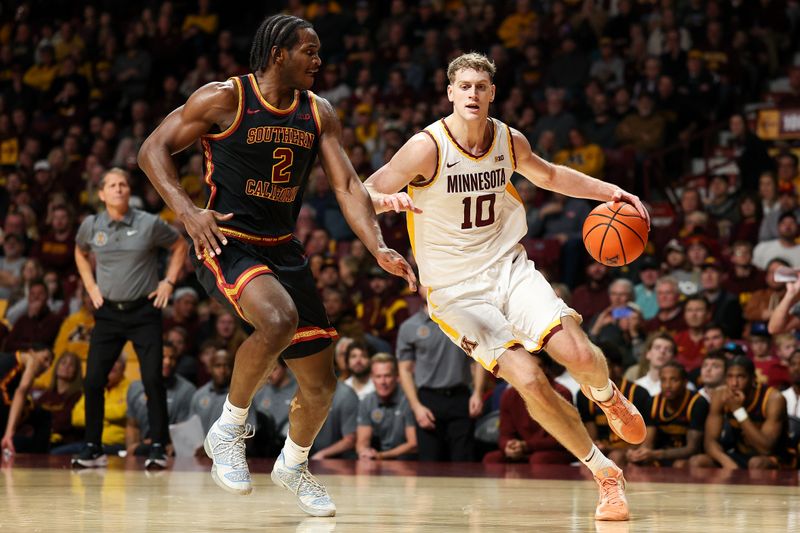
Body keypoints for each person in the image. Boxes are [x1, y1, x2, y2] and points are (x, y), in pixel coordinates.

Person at [138, 14, 415, 516]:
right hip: (226, 238)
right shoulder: (224, 98)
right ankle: (227, 429)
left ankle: (293, 463)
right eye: (309, 50)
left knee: (321, 386)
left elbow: (349, 187)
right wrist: (186, 209)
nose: (318, 59)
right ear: (278, 54)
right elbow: (151, 149)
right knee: (278, 319)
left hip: (283, 248)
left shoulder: (318, 112)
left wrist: (377, 247)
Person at [364, 52, 649, 521]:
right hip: (455, 292)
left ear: (492, 93)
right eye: (465, 86)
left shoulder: (508, 140)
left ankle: (606, 395)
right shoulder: (426, 147)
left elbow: (551, 175)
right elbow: (361, 191)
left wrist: (610, 192)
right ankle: (605, 474)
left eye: (481, 86)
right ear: (450, 92)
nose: (473, 94)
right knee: (530, 379)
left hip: (508, 267)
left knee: (577, 353)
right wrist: (384, 206)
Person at [73, 167, 188, 470]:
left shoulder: (149, 223)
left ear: (129, 190)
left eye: (123, 184)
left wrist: (169, 282)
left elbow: (179, 245)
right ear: (101, 194)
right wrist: (91, 286)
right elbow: (79, 251)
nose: (119, 189)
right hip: (108, 313)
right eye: (112, 185)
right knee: (93, 379)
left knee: (152, 379)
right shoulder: (91, 225)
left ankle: (158, 448)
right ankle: (93, 448)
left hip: (143, 311)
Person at [397, 284, 485, 461]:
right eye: (424, 283)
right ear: (417, 288)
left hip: (461, 397)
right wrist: (416, 407)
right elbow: (405, 370)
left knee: (464, 464)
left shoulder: (463, 321)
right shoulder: (410, 327)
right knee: (429, 464)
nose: (429, 287)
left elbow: (479, 359)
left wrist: (477, 393)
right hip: (428, 400)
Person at [690, 356, 793, 470]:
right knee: (698, 461)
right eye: (730, 377)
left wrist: (738, 411)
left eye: (741, 377)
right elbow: (710, 442)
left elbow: (766, 448)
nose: (734, 383)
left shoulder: (773, 399)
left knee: (756, 463)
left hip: (773, 458)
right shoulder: (720, 395)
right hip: (739, 455)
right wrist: (728, 464)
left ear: (753, 378)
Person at [125, 341, 196, 467]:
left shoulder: (187, 390)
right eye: (163, 357)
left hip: (171, 448)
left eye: (172, 358)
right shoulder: (135, 387)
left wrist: (159, 441)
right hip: (143, 447)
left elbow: (183, 428)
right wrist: (131, 447)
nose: (168, 362)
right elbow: (132, 425)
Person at [626, 362, 708, 467]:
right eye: (663, 380)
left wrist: (657, 454)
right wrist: (639, 453)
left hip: (685, 457)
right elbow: (649, 440)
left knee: (680, 465)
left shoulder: (697, 403)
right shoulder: (653, 402)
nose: (668, 385)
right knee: (634, 463)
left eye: (674, 380)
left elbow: (692, 448)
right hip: (659, 453)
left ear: (685, 382)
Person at [355, 353, 417, 461]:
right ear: (372, 378)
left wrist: (381, 456)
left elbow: (413, 444)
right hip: (379, 462)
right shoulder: (367, 401)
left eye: (387, 376)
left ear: (397, 377)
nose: (383, 382)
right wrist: (365, 452)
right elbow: (362, 442)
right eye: (378, 376)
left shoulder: (409, 400)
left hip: (408, 463)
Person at [0, 347, 54, 455]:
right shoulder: (30, 360)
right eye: (45, 359)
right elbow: (21, 391)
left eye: (50, 363)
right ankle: (38, 461)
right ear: (31, 352)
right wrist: (9, 433)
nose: (47, 366)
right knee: (44, 415)